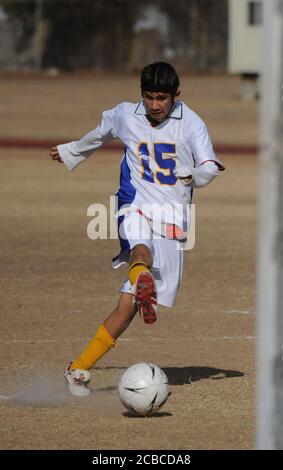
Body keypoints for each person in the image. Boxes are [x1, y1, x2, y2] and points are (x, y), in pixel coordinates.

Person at [49, 62, 225, 397]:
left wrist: (194, 176)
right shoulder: (125, 115)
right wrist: (71, 150)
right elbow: (100, 132)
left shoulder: (192, 123)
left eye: (162, 98)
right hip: (135, 203)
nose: (155, 105)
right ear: (140, 95)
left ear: (176, 95)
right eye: (149, 97)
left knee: (126, 307)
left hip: (172, 218)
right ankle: (141, 274)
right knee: (137, 249)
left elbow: (208, 166)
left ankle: (78, 369)